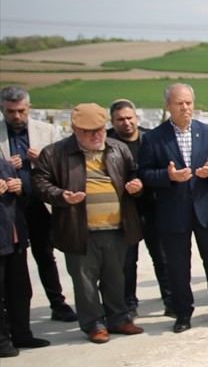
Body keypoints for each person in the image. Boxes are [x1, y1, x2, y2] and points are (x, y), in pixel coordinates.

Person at [32, 103, 145, 344]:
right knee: (85, 282)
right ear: (74, 129)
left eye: (100, 130)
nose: (96, 135)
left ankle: (119, 319)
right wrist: (61, 196)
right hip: (79, 228)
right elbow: (39, 183)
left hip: (116, 227)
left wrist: (136, 185)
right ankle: (93, 324)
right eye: (88, 131)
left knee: (116, 277)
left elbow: (133, 173)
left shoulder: (118, 149)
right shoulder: (55, 153)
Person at [139, 83, 208, 332]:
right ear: (168, 106)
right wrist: (168, 176)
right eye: (179, 103)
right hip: (174, 211)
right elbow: (146, 174)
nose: (185, 108)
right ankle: (183, 312)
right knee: (178, 265)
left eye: (189, 103)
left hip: (206, 208)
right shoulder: (153, 138)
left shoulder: (207, 133)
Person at [0, 86, 75, 322]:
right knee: (13, 261)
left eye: (21, 110)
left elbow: (64, 166)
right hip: (8, 209)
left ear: (28, 108)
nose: (16, 116)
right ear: (2, 109)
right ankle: (14, 313)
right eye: (10, 111)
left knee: (45, 255)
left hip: (39, 205)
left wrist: (43, 156)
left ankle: (58, 303)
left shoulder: (47, 131)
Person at [108, 100, 172, 318]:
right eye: (120, 119)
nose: (126, 123)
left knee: (162, 257)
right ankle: (129, 304)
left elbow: (163, 169)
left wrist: (146, 183)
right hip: (124, 211)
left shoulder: (150, 139)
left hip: (153, 208)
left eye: (129, 118)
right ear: (112, 122)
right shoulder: (107, 143)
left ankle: (170, 300)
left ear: (136, 117)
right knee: (127, 262)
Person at [0, 159, 41, 356]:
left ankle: (22, 334)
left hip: (15, 237)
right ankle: (2, 342)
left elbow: (24, 202)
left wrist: (19, 190)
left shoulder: (5, 165)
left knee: (20, 290)